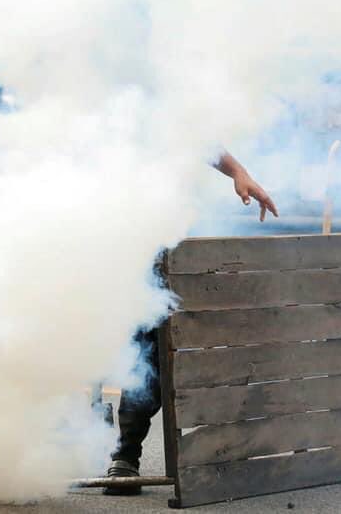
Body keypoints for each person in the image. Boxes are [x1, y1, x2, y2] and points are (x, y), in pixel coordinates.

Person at [104, 152, 277, 495]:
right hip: (98, 239)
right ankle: (86, 442)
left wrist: (238, 172)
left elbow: (197, 137)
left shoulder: (153, 112)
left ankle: (126, 454)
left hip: (151, 240)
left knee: (152, 345)